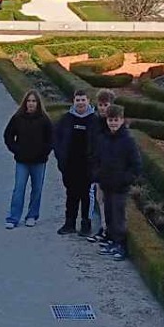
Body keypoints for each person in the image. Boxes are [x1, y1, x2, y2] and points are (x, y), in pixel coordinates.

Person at [91, 102, 142, 260]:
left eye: (116, 120)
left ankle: (121, 246)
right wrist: (97, 175)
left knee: (118, 216)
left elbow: (136, 165)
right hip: (106, 184)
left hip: (120, 187)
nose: (113, 123)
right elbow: (96, 159)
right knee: (109, 214)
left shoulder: (128, 141)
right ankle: (112, 241)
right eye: (110, 120)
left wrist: (125, 179)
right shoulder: (103, 138)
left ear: (122, 120)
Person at [51, 88, 102, 236]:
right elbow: (56, 139)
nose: (80, 103)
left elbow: (100, 143)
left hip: (88, 166)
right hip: (70, 165)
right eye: (78, 100)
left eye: (83, 100)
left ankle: (86, 225)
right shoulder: (66, 119)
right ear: (73, 101)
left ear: (88, 101)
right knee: (71, 195)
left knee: (86, 196)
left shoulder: (95, 121)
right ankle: (69, 223)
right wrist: (60, 158)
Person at [2, 88, 55, 229]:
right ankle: (13, 217)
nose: (31, 104)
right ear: (25, 103)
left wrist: (44, 152)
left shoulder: (44, 120)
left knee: (37, 189)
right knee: (18, 189)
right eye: (29, 101)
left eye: (34, 101)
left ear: (38, 103)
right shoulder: (17, 118)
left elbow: (51, 139)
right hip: (22, 161)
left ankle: (32, 215)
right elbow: (8, 135)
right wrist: (15, 149)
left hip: (39, 161)